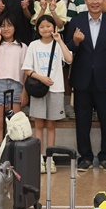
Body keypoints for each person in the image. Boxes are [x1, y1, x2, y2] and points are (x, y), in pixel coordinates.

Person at [65, 0, 106, 172]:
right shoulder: (76, 21)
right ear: (85, 0)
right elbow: (67, 49)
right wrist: (75, 42)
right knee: (82, 121)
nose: (95, 2)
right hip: (82, 79)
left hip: (105, 80)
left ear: (104, 0)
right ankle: (85, 157)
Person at [23, 16, 73, 174]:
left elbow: (69, 59)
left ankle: (50, 159)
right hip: (39, 89)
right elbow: (27, 69)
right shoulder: (33, 45)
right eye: (42, 26)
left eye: (48, 26)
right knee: (39, 125)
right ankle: (39, 159)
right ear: (37, 29)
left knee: (51, 126)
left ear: (54, 28)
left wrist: (60, 41)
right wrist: (41, 78)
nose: (45, 29)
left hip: (56, 89)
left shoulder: (58, 44)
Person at [0, 14, 29, 146]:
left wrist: (25, 91)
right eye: (2, 26)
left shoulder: (22, 47)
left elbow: (26, 71)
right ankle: (1, 154)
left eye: (9, 25)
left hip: (16, 85)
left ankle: (15, 154)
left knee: (15, 123)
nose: (6, 28)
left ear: (15, 27)